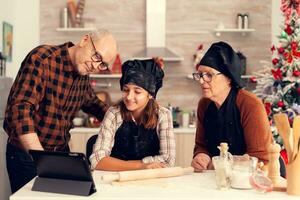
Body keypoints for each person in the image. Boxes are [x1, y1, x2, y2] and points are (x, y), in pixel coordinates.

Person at [3, 29, 117, 193]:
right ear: (85, 40)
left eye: (102, 64)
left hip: (60, 154)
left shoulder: (82, 75)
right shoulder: (42, 59)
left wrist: (126, 118)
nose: (95, 65)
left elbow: (94, 105)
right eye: (97, 56)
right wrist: (42, 160)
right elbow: (21, 110)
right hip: (27, 155)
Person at [191, 41, 273, 172]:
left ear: (229, 78)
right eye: (200, 75)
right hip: (219, 177)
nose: (201, 80)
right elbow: (201, 145)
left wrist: (219, 164)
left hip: (253, 180)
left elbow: (260, 158)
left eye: (209, 75)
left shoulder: (250, 104)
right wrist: (202, 156)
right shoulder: (204, 104)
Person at [90, 58, 176, 171]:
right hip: (116, 178)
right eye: (126, 90)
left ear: (150, 94)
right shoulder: (114, 114)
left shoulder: (163, 115)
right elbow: (97, 160)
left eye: (137, 91)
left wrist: (117, 163)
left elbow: (168, 160)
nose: (129, 97)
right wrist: (142, 166)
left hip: (150, 181)